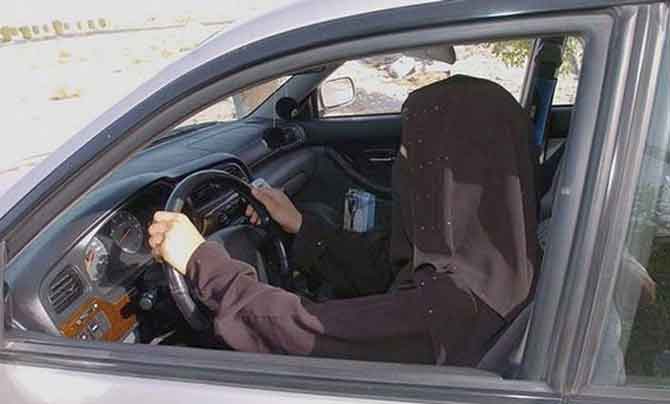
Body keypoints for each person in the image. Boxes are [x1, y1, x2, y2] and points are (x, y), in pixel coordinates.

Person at [148, 75, 539, 366]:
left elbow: (303, 331)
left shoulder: (448, 311)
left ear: (444, 173)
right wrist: (302, 226)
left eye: (412, 154)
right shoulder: (502, 266)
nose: (403, 165)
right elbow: (386, 270)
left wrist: (202, 262)